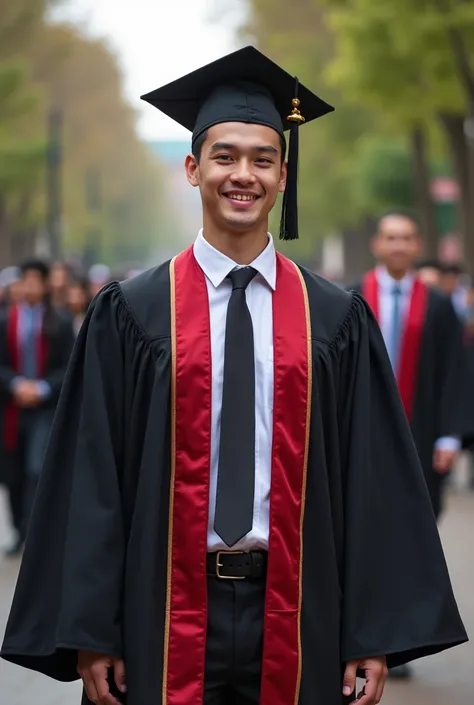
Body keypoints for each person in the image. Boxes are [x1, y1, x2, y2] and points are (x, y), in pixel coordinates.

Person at [1, 47, 467, 705]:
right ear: (193, 168)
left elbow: (372, 480)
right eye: (224, 156)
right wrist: (90, 628)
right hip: (159, 605)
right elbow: (91, 475)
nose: (241, 174)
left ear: (282, 174)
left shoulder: (333, 319)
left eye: (262, 158)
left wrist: (373, 630)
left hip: (302, 606)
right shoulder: (132, 314)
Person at [0, 259, 75, 556]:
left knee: (36, 469)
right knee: (14, 472)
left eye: (35, 281)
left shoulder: (60, 321)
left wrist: (42, 388)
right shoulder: (6, 320)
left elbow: (68, 365)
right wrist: (15, 384)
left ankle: (35, 533)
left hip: (46, 408)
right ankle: (19, 531)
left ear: (44, 285)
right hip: (12, 408)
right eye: (25, 280)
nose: (29, 287)